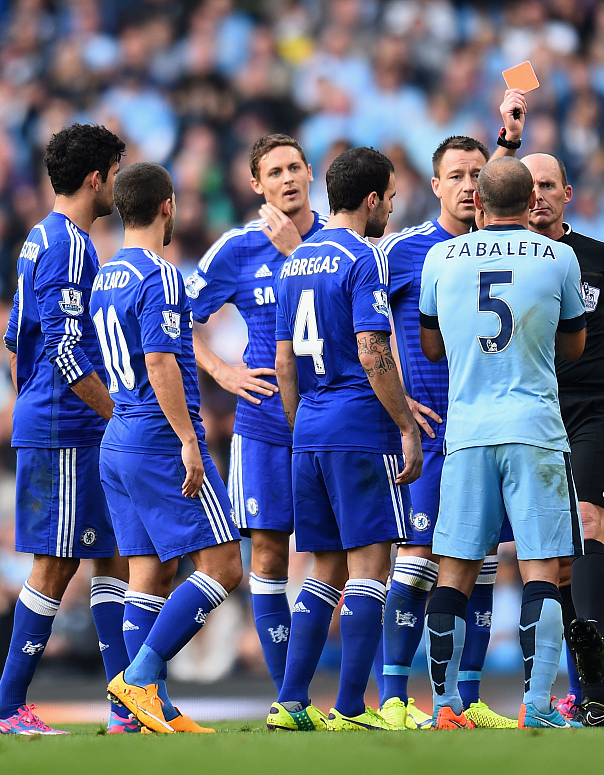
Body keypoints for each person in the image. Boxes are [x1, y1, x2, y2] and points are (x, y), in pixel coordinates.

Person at [498, 126, 604, 721]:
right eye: (528, 185)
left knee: (590, 528)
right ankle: (576, 687)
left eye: (547, 185)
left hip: (591, 409)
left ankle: (592, 680)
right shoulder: (499, 256)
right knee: (548, 559)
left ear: (567, 193)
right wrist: (505, 140)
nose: (537, 195)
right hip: (526, 412)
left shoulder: (599, 259)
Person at [419, 157, 587, 730]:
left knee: (455, 574)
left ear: (480, 203)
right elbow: (575, 347)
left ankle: (443, 706)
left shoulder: (440, 258)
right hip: (536, 430)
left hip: (467, 433)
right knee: (542, 570)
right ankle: (536, 706)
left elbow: (432, 346)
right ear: (529, 202)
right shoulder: (561, 257)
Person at [268, 146, 422, 732]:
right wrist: (406, 423)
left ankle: (289, 701)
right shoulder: (363, 259)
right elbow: (372, 350)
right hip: (359, 423)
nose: (391, 206)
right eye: (390, 196)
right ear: (373, 199)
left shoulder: (295, 261)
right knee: (369, 569)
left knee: (323, 569)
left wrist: (299, 422)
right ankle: (353, 706)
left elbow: (283, 362)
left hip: (308, 426)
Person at [376, 119, 522, 730]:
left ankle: (466, 697)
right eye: (455, 176)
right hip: (428, 435)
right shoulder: (402, 250)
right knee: (415, 560)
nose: (467, 186)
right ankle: (391, 698)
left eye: (475, 175)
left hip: (484, 427)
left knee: (483, 561)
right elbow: (362, 328)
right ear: (434, 185)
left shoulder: (509, 248)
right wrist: (399, 402)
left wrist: (510, 141)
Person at [0, 124, 132, 735]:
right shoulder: (73, 247)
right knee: (56, 565)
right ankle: (5, 708)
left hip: (56, 418)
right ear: (97, 177)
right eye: (117, 173)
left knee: (112, 556)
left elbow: (12, 339)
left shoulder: (39, 239)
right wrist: (119, 414)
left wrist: (29, 397)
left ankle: (127, 705)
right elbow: (68, 352)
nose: (119, 186)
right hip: (65, 425)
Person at [93, 162, 243, 734]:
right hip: (158, 438)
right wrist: (186, 437)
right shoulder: (160, 274)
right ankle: (140, 677)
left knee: (148, 574)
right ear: (168, 205)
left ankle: (134, 712)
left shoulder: (107, 275)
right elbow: (159, 360)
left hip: (119, 439)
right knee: (224, 564)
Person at [185, 134, 328, 693]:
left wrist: (298, 252)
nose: (287, 178)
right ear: (256, 184)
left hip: (332, 420)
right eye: (275, 172)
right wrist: (221, 371)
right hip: (265, 423)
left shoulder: (344, 239)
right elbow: (174, 318)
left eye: (295, 167)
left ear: (310, 172)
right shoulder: (237, 249)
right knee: (267, 555)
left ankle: (354, 695)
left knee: (347, 558)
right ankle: (289, 698)